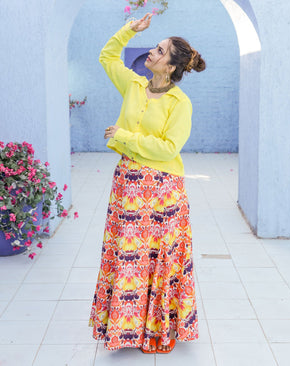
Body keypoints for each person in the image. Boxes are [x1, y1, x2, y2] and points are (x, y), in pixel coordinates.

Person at [89, 13, 206, 354]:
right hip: (128, 185)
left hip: (163, 190)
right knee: (129, 257)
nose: (151, 53)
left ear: (171, 67)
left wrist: (126, 137)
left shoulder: (180, 104)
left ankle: (161, 330)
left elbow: (170, 148)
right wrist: (129, 29)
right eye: (155, 47)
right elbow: (107, 57)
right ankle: (127, 330)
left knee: (160, 259)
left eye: (160, 50)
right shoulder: (134, 85)